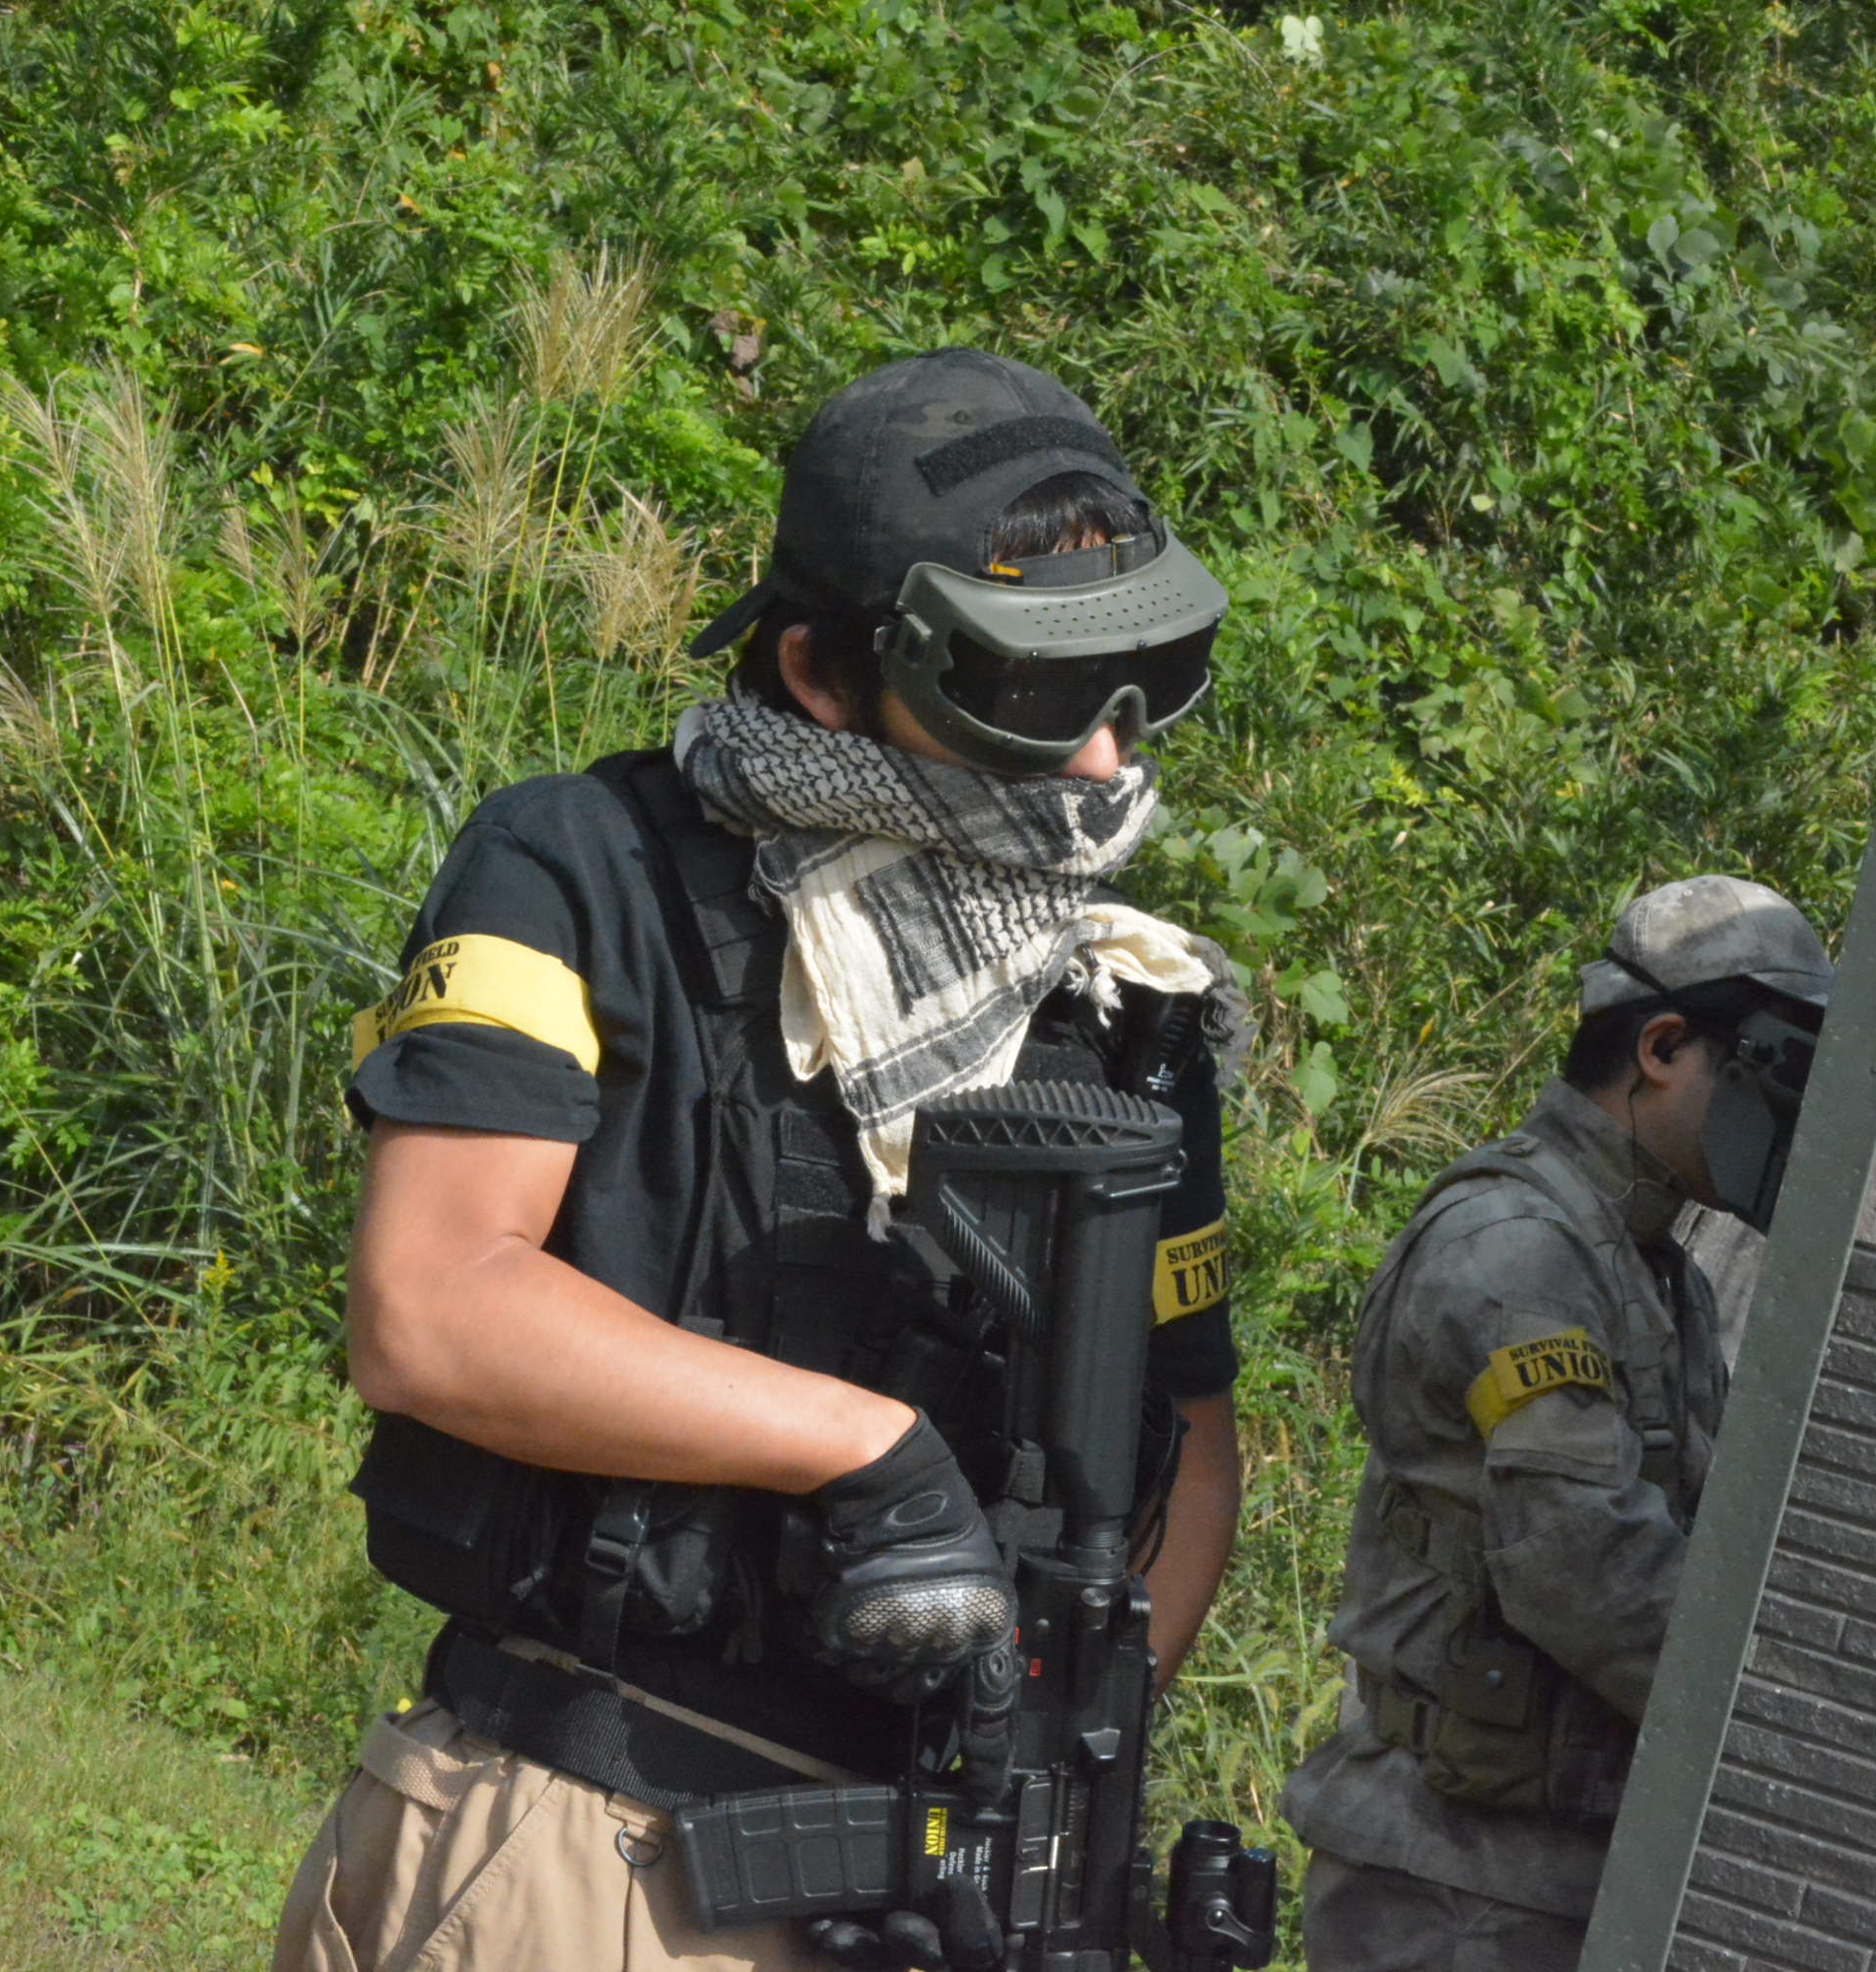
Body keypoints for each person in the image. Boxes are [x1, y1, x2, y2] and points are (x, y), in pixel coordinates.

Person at [275, 348, 1252, 1972]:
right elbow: (431, 1304)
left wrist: (1053, 1780)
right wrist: (864, 1451)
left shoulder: (1118, 1003)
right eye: (1032, 691)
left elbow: (1190, 1447)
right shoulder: (583, 868)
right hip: (607, 1852)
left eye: (1136, 678)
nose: (1103, 760)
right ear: (822, 671)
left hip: (940, 1899)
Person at [1282, 876, 1833, 1971]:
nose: (1788, 1124)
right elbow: (1583, 1563)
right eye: (1776, 1076)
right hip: (1455, 1886)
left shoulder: (1652, 1263)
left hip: (1540, 1872)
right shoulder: (1520, 1250)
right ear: (1662, 1047)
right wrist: (1798, 1732)